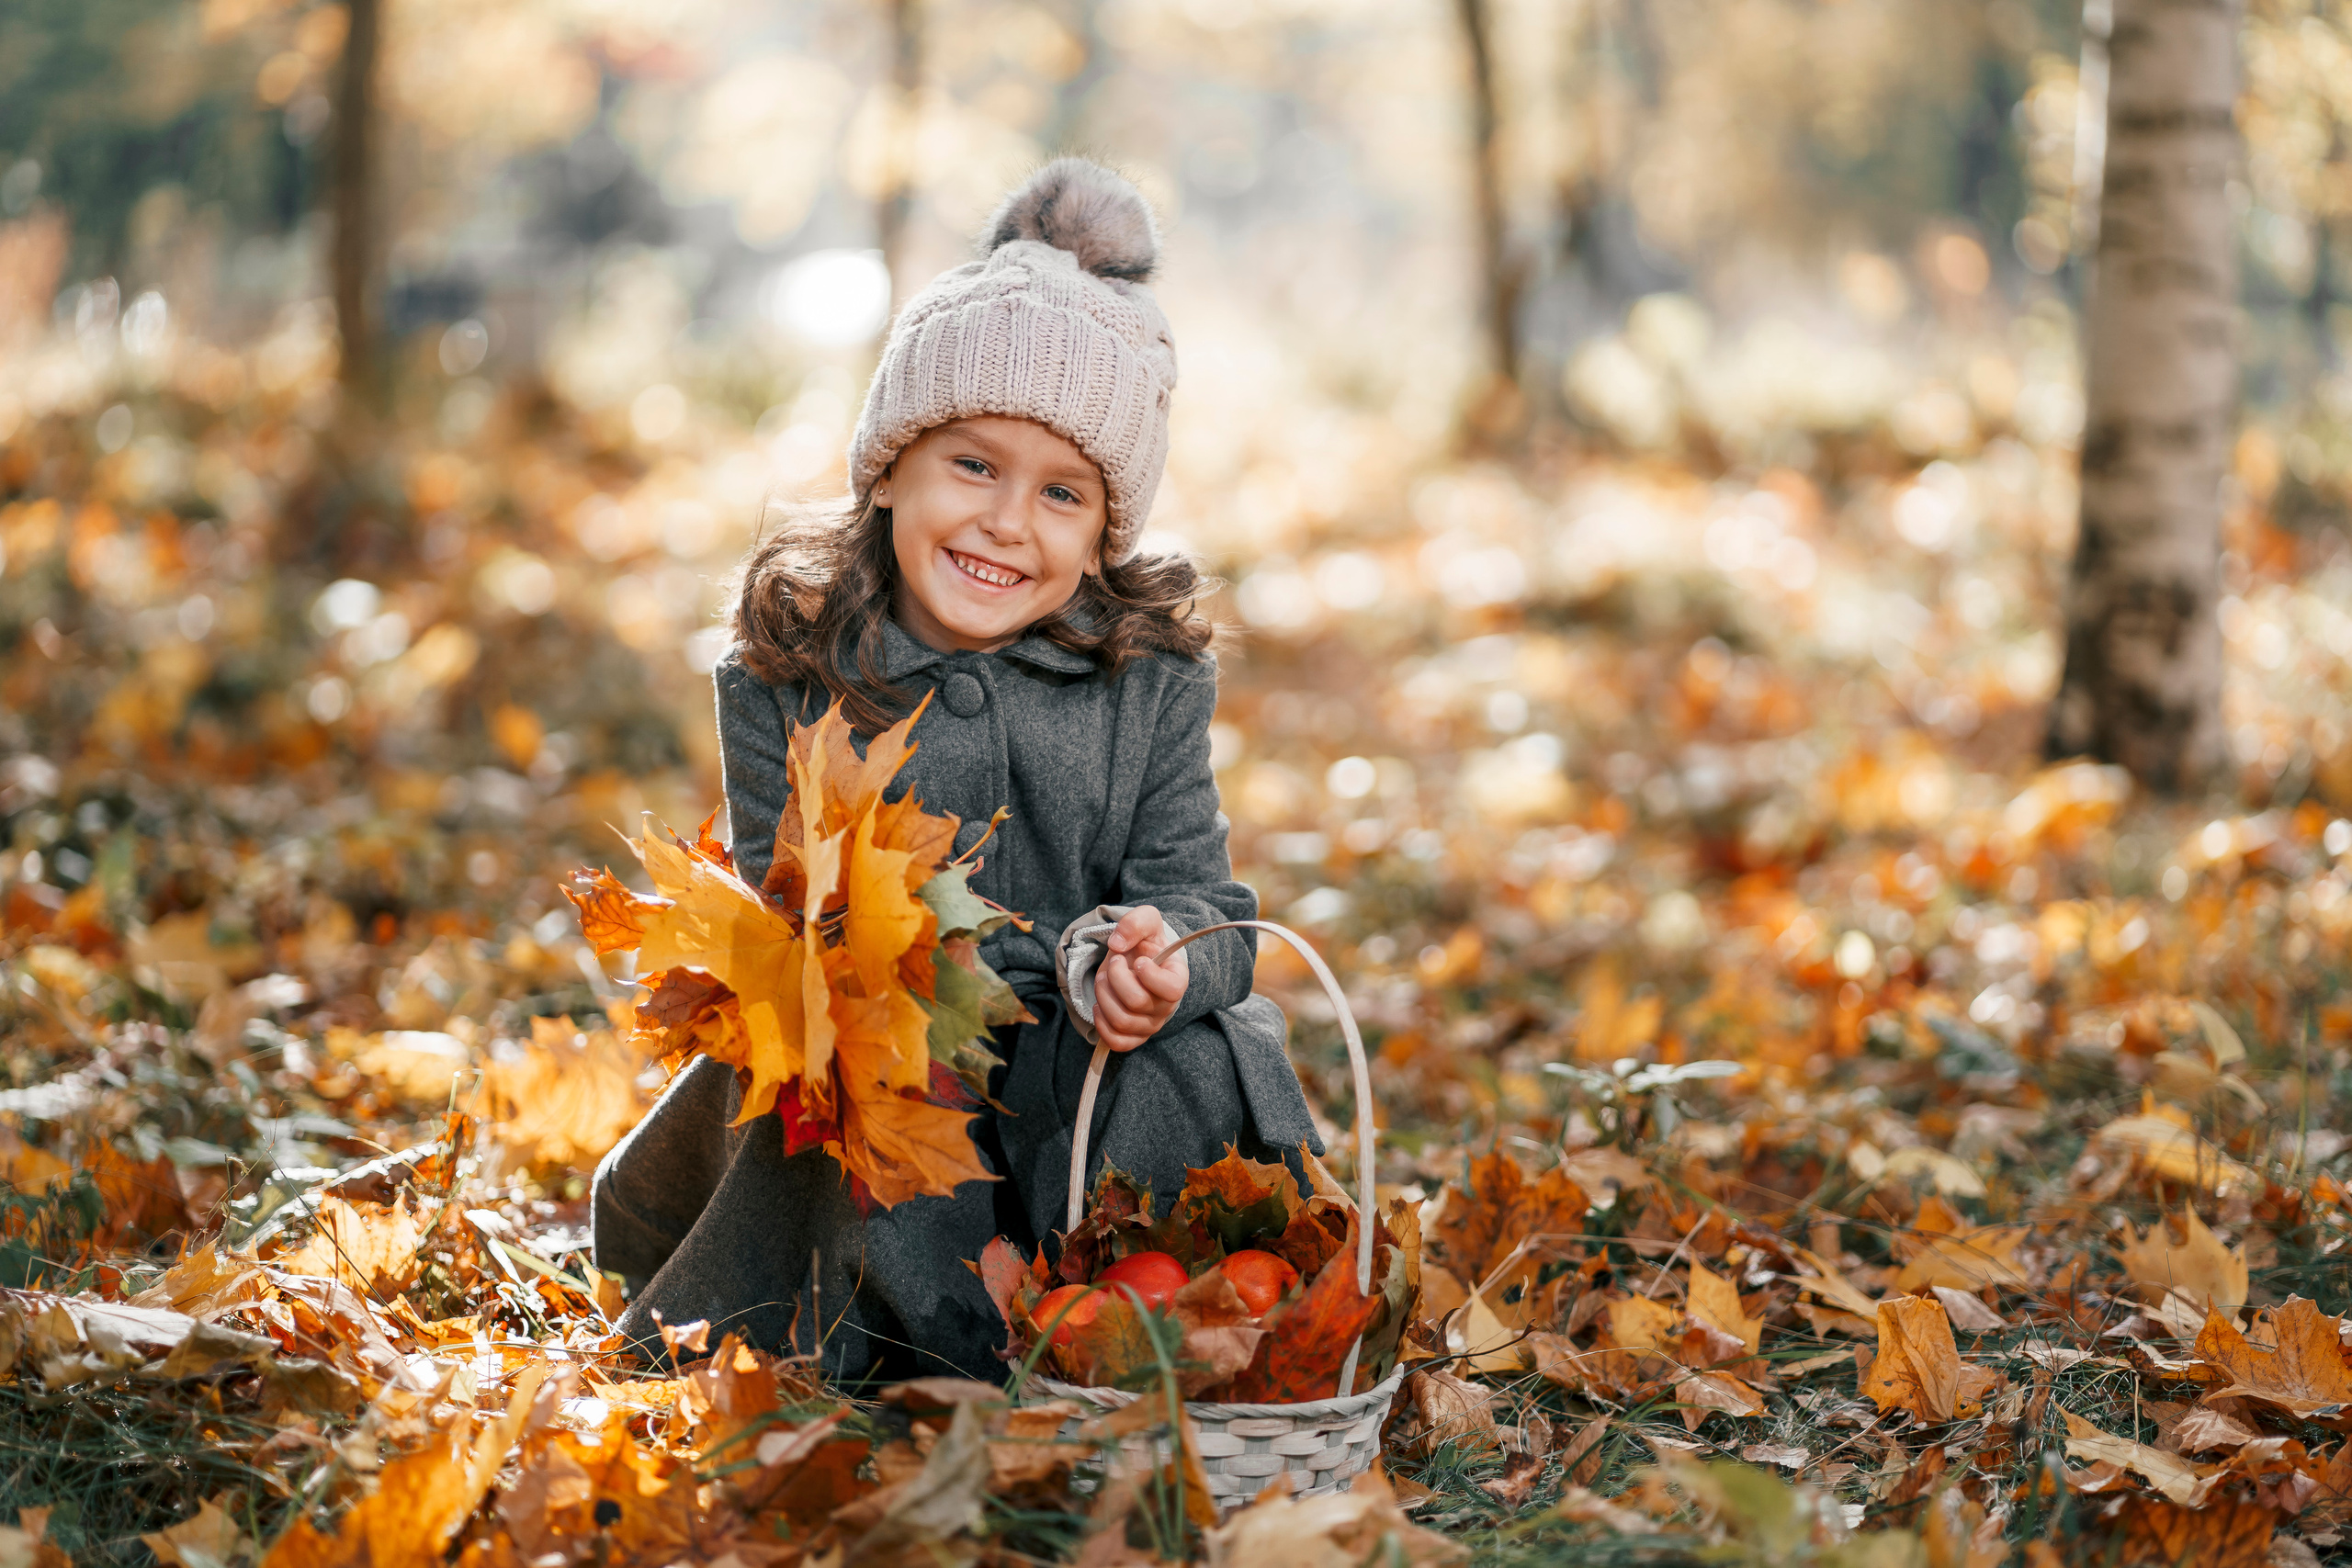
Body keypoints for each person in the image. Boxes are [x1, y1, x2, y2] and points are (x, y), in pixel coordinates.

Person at [590, 159, 1322, 1384]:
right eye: (971, 465)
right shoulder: (793, 665)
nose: (1005, 522)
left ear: (1104, 533)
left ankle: (1135, 1322)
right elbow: (799, 927)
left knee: (1200, 1047)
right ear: (890, 467)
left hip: (1072, 1085)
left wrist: (1152, 959)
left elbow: (1216, 916)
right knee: (840, 1082)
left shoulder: (1147, 682)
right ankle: (911, 1347)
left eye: (1062, 493)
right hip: (885, 1056)